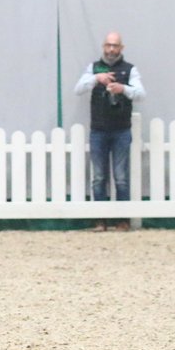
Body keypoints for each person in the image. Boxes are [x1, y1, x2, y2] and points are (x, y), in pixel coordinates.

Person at [74, 31, 146, 231]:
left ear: (121, 48)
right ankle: (100, 219)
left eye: (115, 46)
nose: (111, 49)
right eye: (108, 45)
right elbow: (78, 89)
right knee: (98, 176)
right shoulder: (93, 68)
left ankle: (122, 220)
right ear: (103, 47)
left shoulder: (130, 70)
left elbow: (141, 94)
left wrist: (123, 89)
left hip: (121, 130)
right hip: (98, 130)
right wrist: (96, 78)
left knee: (121, 176)